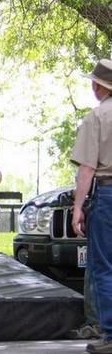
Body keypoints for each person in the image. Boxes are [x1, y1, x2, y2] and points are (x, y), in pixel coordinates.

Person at [71, 58, 112, 354]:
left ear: (99, 86)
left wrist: (77, 208)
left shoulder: (97, 117)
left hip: (108, 197)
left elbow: (86, 169)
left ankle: (110, 335)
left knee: (104, 267)